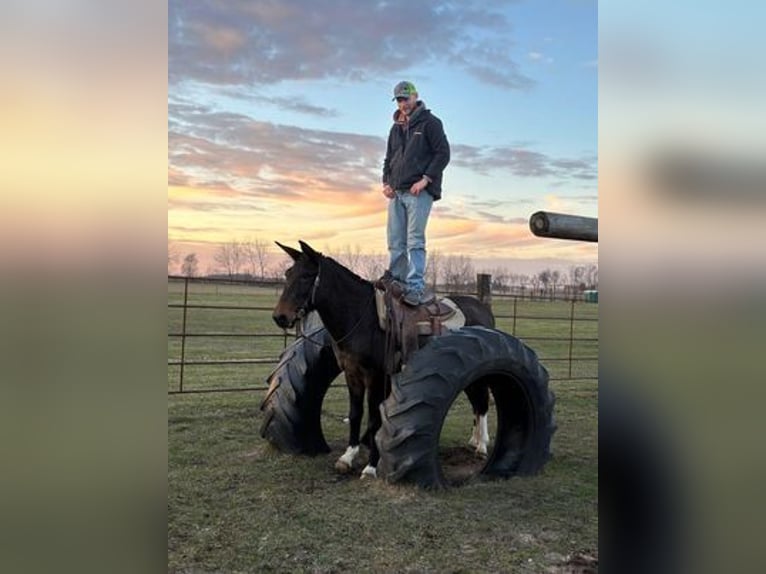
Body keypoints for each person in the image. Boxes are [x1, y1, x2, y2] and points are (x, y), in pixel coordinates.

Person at [381, 81, 450, 306]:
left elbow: (443, 153)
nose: (403, 104)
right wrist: (386, 182)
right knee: (395, 241)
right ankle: (397, 281)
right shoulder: (395, 128)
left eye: (406, 99)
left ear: (415, 97)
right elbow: (389, 158)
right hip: (397, 192)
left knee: (414, 241)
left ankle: (415, 288)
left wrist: (425, 179)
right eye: (399, 100)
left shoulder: (430, 123)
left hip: (418, 192)